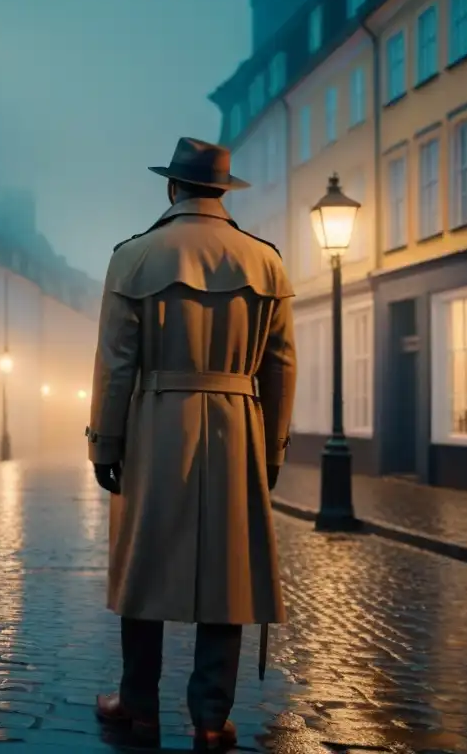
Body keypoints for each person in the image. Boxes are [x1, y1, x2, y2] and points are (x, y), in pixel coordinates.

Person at [86, 137, 296, 750]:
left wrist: (106, 443)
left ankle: (139, 704)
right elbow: (281, 367)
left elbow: (115, 364)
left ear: (171, 187)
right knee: (229, 569)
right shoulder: (266, 261)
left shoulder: (133, 256)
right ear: (223, 192)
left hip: (155, 420)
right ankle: (210, 717)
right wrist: (274, 448)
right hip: (238, 422)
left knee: (144, 559)